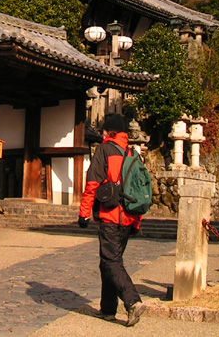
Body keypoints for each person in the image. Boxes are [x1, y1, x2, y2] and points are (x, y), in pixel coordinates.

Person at [78, 113, 146, 327]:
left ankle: (132, 301)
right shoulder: (132, 153)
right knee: (109, 261)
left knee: (111, 261)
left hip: (110, 215)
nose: (101, 133)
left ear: (111, 133)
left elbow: (92, 183)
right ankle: (107, 309)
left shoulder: (104, 150)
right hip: (129, 218)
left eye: (104, 131)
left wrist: (84, 213)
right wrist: (137, 222)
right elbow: (138, 189)